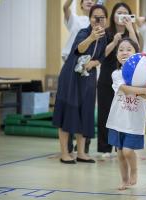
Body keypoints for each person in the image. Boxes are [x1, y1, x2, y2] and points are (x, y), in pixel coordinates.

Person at [53, 4, 108, 164]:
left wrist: (95, 62)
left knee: (86, 111)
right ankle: (65, 153)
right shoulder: (83, 32)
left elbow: (102, 56)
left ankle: (82, 152)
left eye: (101, 17)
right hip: (71, 76)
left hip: (88, 77)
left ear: (105, 19)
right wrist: (91, 37)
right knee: (67, 111)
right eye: (95, 17)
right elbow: (78, 50)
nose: (98, 20)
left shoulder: (104, 37)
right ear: (89, 18)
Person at [106, 38, 146, 190]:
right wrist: (143, 91)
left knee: (128, 151)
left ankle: (134, 171)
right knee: (120, 153)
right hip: (117, 120)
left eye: (129, 49)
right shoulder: (117, 74)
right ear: (116, 55)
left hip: (134, 122)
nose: (124, 52)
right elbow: (125, 89)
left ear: (137, 55)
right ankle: (124, 179)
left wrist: (145, 92)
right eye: (121, 49)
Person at [97, 2, 139, 157]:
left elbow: (138, 50)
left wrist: (130, 29)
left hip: (127, 81)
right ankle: (104, 148)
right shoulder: (106, 33)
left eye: (125, 13)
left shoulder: (131, 32)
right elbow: (101, 55)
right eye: (118, 13)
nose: (121, 16)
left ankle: (120, 146)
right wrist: (114, 42)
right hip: (107, 78)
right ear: (113, 16)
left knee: (124, 113)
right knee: (105, 113)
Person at [62, 0, 96, 154]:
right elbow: (65, 7)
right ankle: (67, 146)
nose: (90, 1)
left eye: (93, 0)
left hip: (88, 68)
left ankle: (83, 148)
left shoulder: (98, 23)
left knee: (86, 107)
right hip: (71, 66)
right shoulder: (75, 19)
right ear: (81, 4)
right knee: (69, 104)